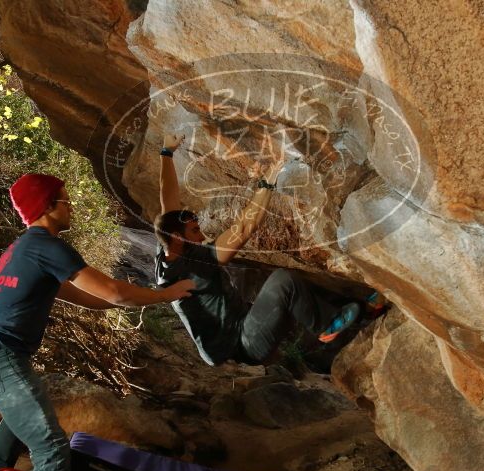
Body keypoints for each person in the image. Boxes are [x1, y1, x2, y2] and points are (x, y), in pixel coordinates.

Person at [0, 173, 195, 471]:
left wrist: (133, 296)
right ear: (48, 207)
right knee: (51, 447)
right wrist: (167, 293)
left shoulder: (23, 249)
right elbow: (113, 293)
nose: (71, 206)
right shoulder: (48, 245)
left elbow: (94, 299)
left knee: (29, 410)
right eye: (65, 200)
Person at [154, 134, 361, 367]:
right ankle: (326, 327)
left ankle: (360, 308)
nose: (202, 236)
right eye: (195, 231)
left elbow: (168, 203)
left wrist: (167, 152)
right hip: (242, 345)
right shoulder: (195, 266)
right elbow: (242, 230)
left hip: (240, 326)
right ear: (179, 238)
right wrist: (267, 182)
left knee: (299, 285)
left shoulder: (166, 254)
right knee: (284, 281)